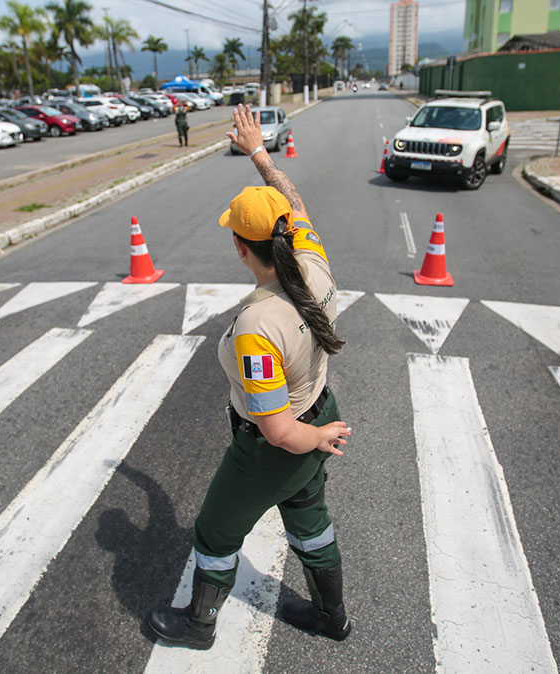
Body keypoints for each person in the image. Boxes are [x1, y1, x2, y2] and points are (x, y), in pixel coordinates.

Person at [148, 104, 353, 650]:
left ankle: (197, 624)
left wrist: (314, 438)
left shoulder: (257, 326)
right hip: (319, 407)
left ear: (241, 248)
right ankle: (333, 618)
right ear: (287, 228)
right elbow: (296, 198)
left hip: (278, 443)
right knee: (310, 523)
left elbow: (278, 432)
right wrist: (261, 154)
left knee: (215, 532)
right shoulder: (312, 258)